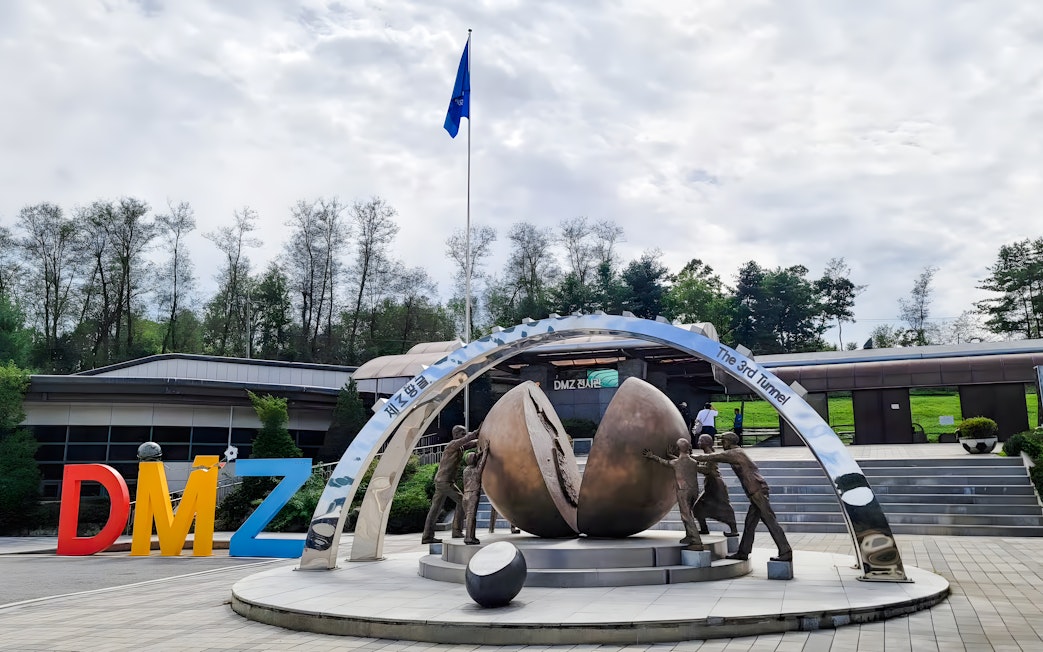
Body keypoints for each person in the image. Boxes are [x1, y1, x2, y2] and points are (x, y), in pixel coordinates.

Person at [695, 431, 792, 562]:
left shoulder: (735, 453)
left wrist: (686, 456)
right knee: (750, 524)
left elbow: (711, 457)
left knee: (770, 521)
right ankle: (743, 552)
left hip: (757, 490)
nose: (722, 444)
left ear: (728, 442)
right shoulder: (737, 452)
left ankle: (785, 551)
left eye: (723, 441)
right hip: (755, 491)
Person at [642, 438, 705, 550]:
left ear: (678, 448)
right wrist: (670, 455)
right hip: (694, 490)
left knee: (686, 515)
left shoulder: (676, 463)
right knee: (688, 513)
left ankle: (696, 541)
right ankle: (689, 536)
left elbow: (665, 462)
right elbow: (682, 462)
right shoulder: (693, 462)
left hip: (683, 491)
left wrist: (652, 456)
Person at [421, 425, 479, 544]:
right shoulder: (452, 445)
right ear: (456, 435)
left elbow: (473, 442)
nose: (464, 435)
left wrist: (483, 436)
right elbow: (468, 438)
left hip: (445, 481)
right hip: (444, 482)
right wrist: (475, 432)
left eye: (465, 433)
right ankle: (456, 530)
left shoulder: (460, 447)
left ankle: (428, 536)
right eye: (462, 433)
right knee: (463, 501)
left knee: (435, 509)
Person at [692, 434, 738, 536]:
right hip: (709, 484)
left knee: (724, 506)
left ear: (707, 443)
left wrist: (693, 465)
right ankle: (704, 529)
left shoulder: (711, 455)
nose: (699, 443)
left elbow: (707, 469)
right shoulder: (707, 454)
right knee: (698, 507)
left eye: (701, 441)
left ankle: (734, 530)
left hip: (716, 485)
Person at [461, 446, 488, 545]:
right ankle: (468, 538)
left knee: (470, 517)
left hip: (465, 496)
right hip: (473, 494)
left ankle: (472, 536)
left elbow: (475, 459)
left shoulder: (465, 470)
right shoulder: (476, 470)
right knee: (471, 517)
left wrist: (479, 453)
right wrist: (485, 452)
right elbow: (482, 462)